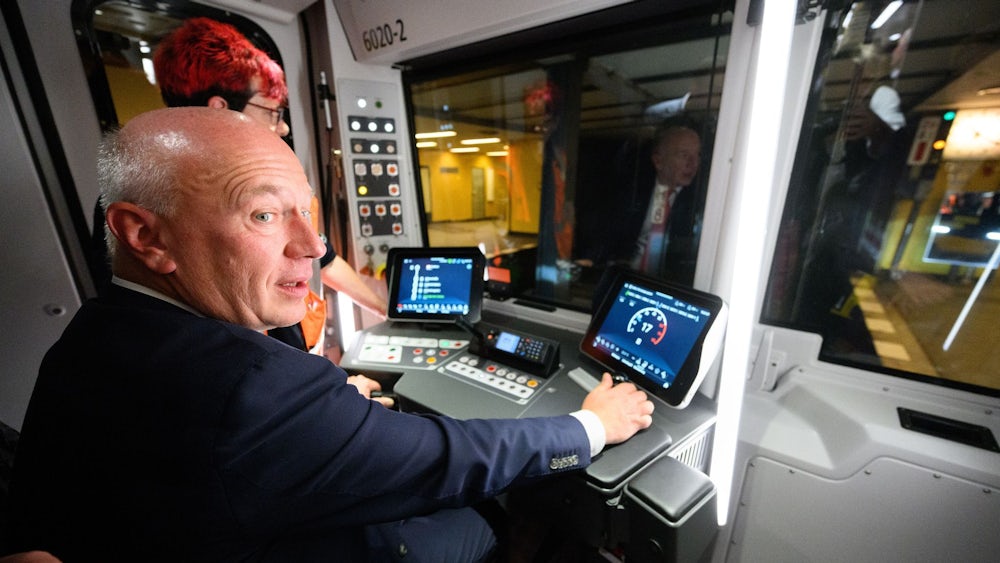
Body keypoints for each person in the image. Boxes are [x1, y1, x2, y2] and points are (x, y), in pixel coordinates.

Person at [8, 107, 654, 562]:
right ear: (146, 236)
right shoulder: (250, 386)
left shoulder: (89, 335)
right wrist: (591, 424)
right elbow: (450, 458)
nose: (313, 245)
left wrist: (338, 399)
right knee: (480, 514)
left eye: (307, 213)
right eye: (264, 213)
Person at [91, 17, 387, 354]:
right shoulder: (147, 199)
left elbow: (325, 257)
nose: (284, 128)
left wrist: (382, 308)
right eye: (263, 216)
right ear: (220, 109)